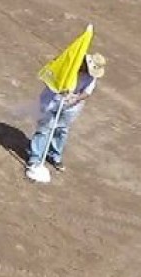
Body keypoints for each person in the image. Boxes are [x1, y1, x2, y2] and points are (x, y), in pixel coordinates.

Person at [26, 52, 105, 183]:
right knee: (44, 129)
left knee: (61, 130)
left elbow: (87, 92)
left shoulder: (91, 77)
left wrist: (75, 98)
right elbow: (53, 70)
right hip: (51, 100)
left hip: (71, 106)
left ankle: (54, 155)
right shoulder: (69, 62)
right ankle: (35, 158)